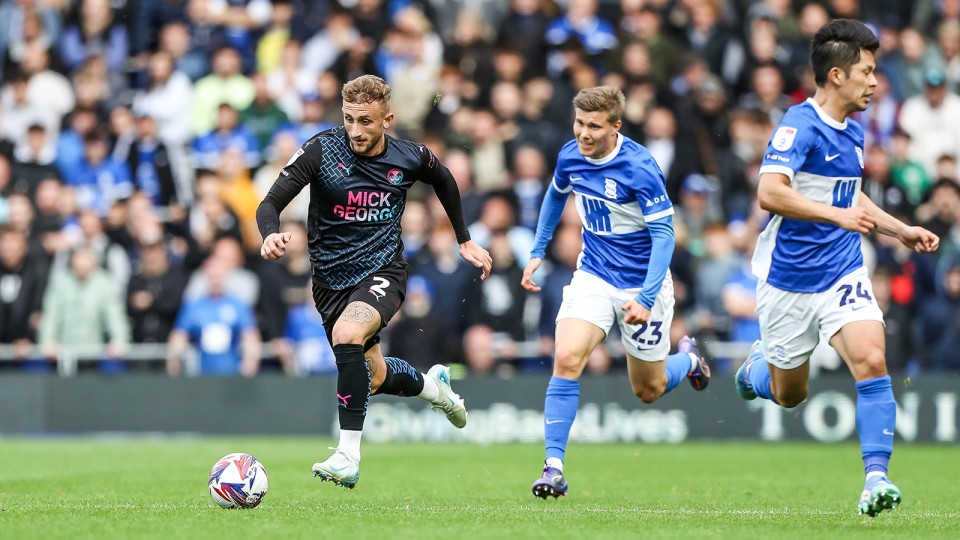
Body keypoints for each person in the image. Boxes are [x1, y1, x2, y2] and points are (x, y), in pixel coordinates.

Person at [734, 19, 940, 518]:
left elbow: (850, 196)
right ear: (836, 75)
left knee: (871, 359)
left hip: (842, 271)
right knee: (790, 394)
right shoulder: (798, 126)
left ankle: (876, 479)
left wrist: (900, 230)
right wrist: (835, 215)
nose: (875, 81)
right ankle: (755, 371)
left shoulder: (855, 130)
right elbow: (770, 192)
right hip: (788, 281)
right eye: (866, 72)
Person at [256, 74, 492, 489]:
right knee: (375, 377)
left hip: (383, 272)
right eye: (349, 119)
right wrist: (270, 234)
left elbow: (444, 179)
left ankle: (348, 454)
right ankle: (434, 388)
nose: (355, 130)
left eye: (365, 121)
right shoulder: (320, 149)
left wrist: (464, 239)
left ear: (387, 119)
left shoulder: (409, 156)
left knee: (348, 334)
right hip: (329, 283)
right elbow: (271, 202)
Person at [520, 85, 711, 499]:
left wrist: (646, 298)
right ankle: (553, 468)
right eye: (579, 123)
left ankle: (688, 361)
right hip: (593, 274)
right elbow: (555, 195)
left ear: (616, 126)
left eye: (594, 126)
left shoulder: (640, 167)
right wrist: (537, 250)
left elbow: (664, 235)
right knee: (566, 357)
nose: (583, 133)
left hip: (642, 285)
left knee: (648, 389)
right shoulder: (570, 154)